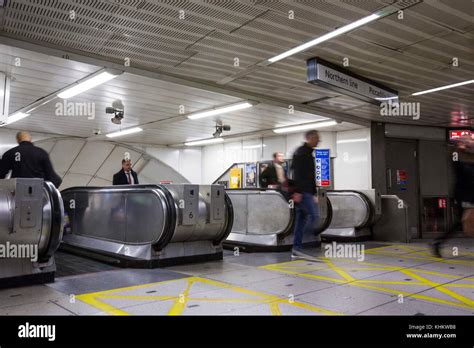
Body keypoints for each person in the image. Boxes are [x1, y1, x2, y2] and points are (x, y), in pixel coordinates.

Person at [432, 134, 474, 257]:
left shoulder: (470, 162)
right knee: (460, 223)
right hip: (464, 197)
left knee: (460, 224)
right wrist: (455, 148)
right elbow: (453, 158)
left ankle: (438, 242)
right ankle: (438, 242)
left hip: (470, 196)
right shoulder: (459, 162)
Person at [290, 130, 321, 260]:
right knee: (315, 216)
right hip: (303, 193)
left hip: (306, 192)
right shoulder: (301, 153)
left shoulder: (307, 153)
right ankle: (310, 238)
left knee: (301, 220)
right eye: (316, 138)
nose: (318, 141)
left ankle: (296, 248)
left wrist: (314, 192)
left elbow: (310, 176)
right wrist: (297, 191)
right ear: (309, 138)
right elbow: (296, 173)